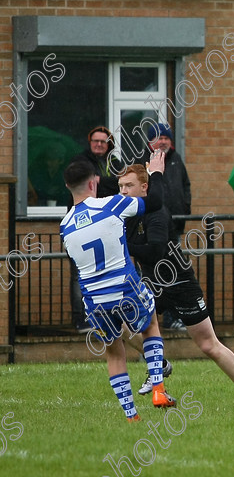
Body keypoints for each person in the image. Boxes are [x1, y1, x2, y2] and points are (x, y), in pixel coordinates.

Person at [118, 165, 234, 409]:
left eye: (128, 186)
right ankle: (159, 364)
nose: (123, 191)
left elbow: (154, 251)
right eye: (120, 186)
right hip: (152, 283)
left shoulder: (156, 212)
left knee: (209, 345)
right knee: (121, 323)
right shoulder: (127, 213)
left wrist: (121, 247)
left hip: (179, 282)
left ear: (144, 188)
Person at [60, 153, 177, 421]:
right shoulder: (111, 204)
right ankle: (158, 389)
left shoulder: (64, 225)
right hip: (125, 287)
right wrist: (156, 172)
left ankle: (131, 415)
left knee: (114, 352)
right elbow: (156, 201)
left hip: (94, 299)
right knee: (150, 327)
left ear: (68, 187)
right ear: (94, 183)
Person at [137, 123, 192, 331]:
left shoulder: (176, 160)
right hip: (150, 232)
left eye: (167, 138)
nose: (163, 141)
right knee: (148, 277)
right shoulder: (143, 162)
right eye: (159, 138)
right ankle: (146, 322)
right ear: (150, 141)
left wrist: (185, 209)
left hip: (173, 231)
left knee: (172, 274)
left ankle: (172, 319)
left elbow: (186, 186)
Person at [69, 126, 123, 334]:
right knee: (79, 274)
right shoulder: (81, 162)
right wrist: (105, 184)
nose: (99, 144)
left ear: (109, 144)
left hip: (107, 226)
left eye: (103, 141)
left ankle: (108, 315)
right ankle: (81, 318)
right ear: (89, 143)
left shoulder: (114, 163)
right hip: (83, 223)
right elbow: (84, 185)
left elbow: (121, 185)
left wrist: (104, 182)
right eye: (95, 141)